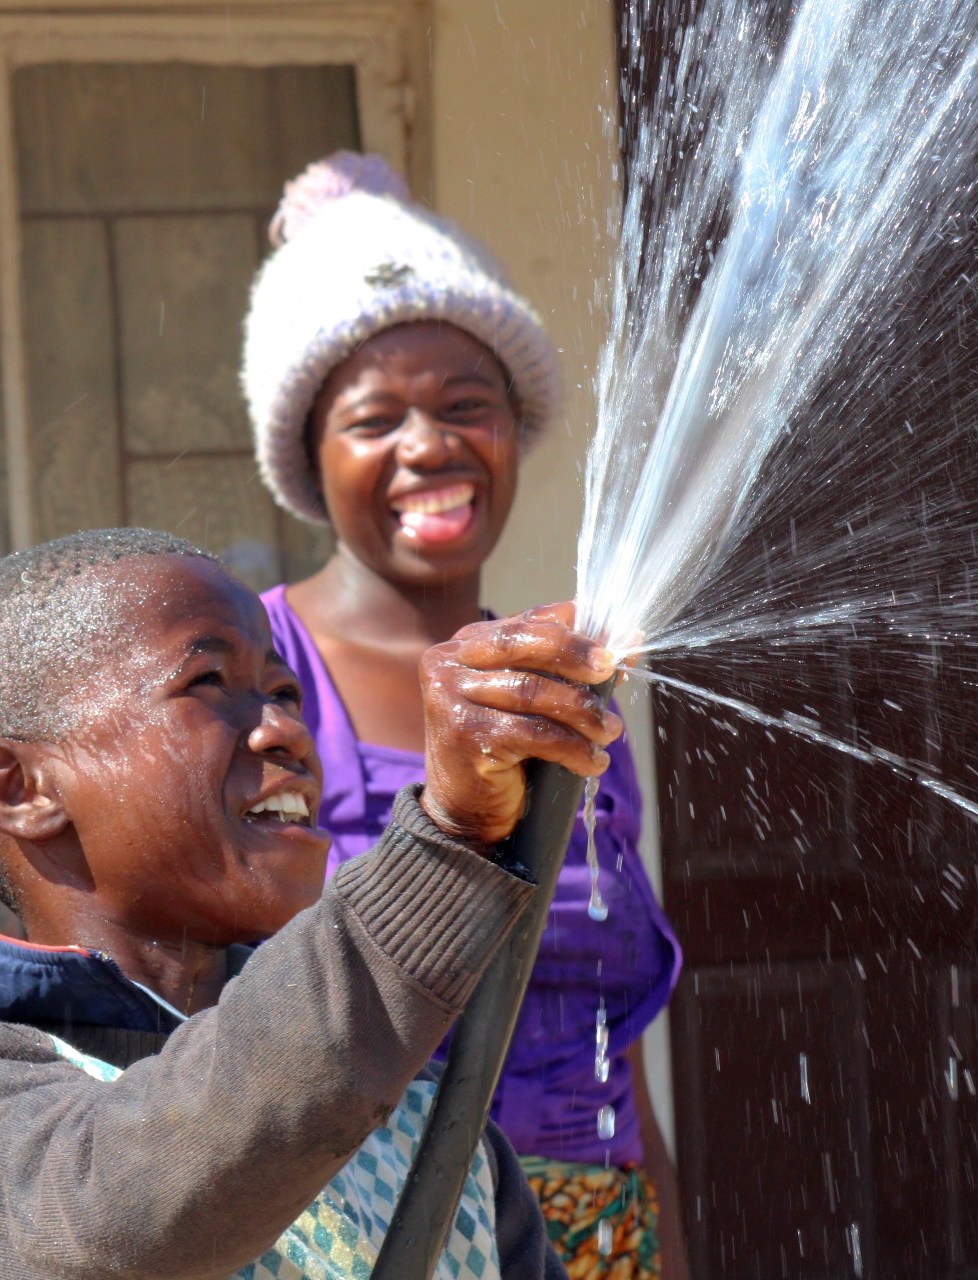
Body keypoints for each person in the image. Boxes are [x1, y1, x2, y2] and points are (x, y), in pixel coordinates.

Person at [0, 526, 627, 1280]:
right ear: (20, 790)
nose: (285, 730)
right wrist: (445, 844)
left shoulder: (422, 1113)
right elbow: (138, 1214)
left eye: (285, 692)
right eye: (208, 685)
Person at [243, 154, 688, 1279]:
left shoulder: (559, 679)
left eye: (464, 405)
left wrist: (663, 1236)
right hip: (373, 1224)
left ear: (514, 429)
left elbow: (601, 1024)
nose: (428, 445)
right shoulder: (254, 673)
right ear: (308, 453)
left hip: (598, 1214)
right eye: (375, 417)